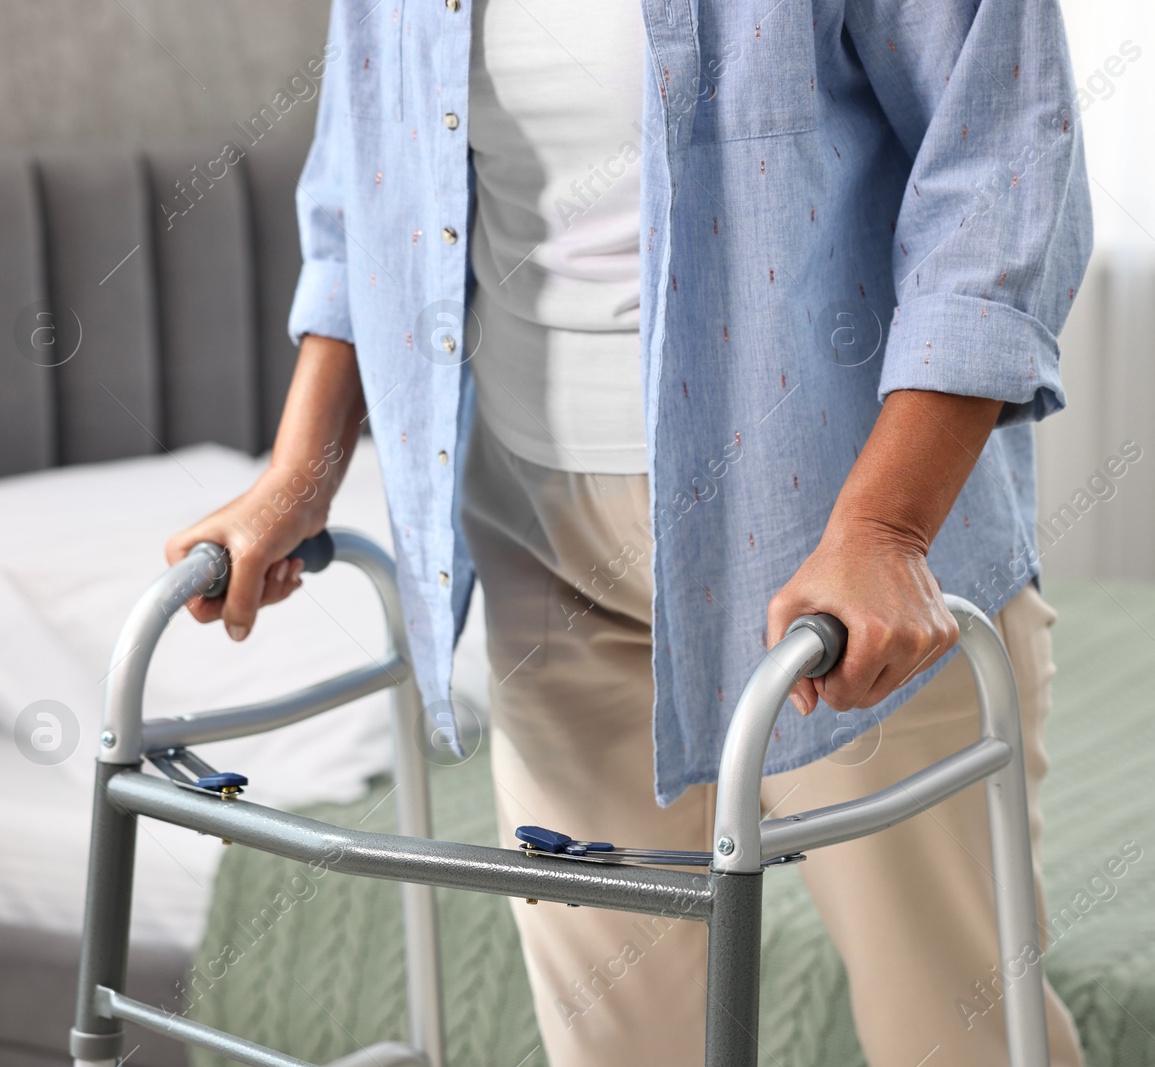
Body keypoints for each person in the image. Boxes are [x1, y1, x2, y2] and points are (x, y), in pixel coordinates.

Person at [167, 0, 1093, 1062]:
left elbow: (1001, 173)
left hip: (829, 555)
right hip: (536, 537)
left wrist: (885, 526)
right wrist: (301, 468)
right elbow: (370, 181)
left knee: (954, 1027)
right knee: (616, 1040)